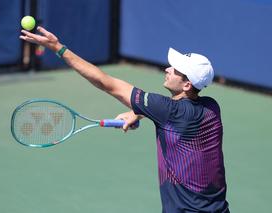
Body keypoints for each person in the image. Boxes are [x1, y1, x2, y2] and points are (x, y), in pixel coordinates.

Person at [20, 26, 230, 212]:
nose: (168, 69)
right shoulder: (211, 107)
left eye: (175, 70)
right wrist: (139, 112)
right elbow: (176, 114)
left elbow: (105, 82)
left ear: (187, 85)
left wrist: (58, 48)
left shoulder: (167, 111)